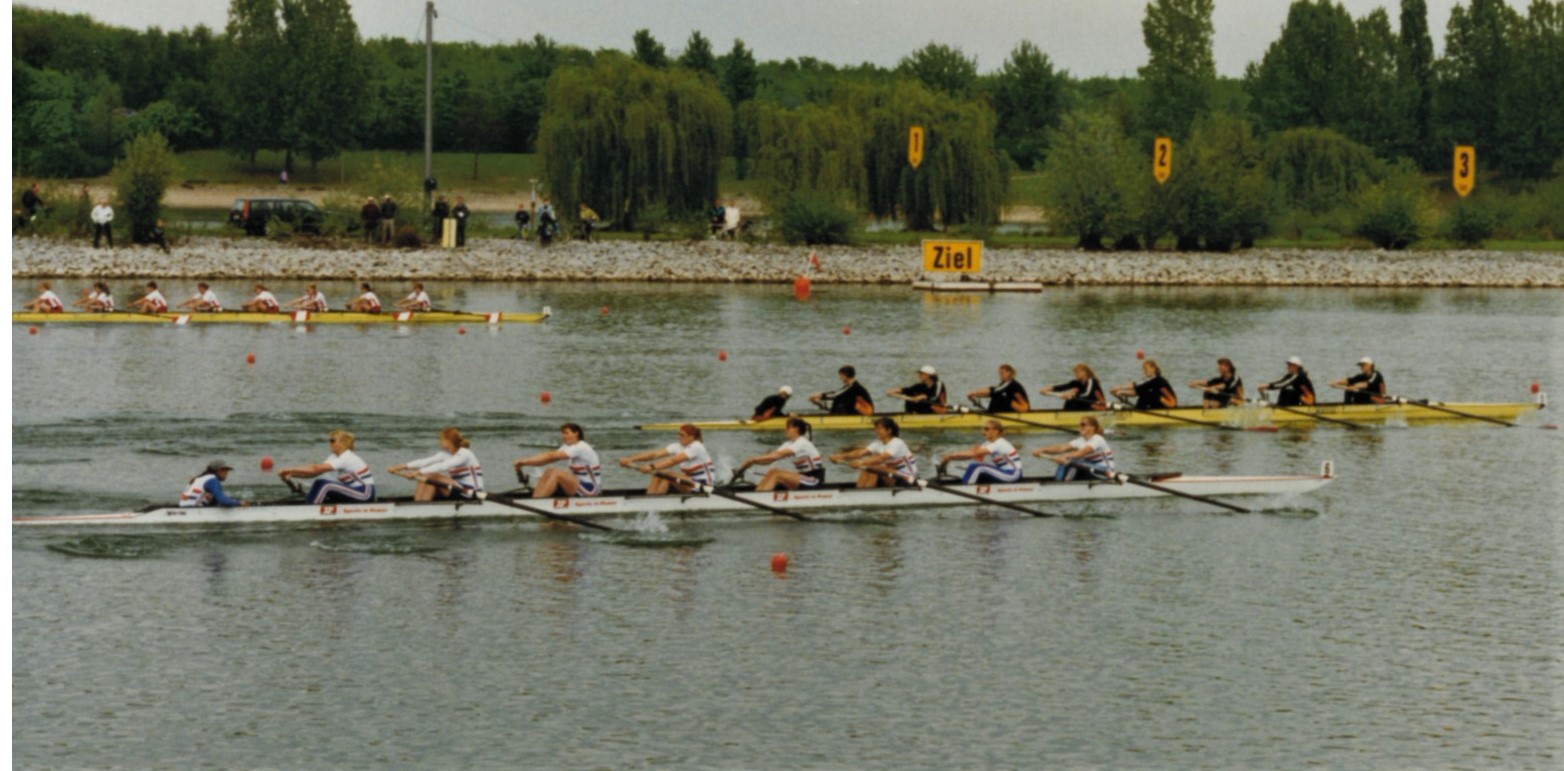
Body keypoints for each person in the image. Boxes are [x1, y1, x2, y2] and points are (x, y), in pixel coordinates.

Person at [277, 429, 376, 504]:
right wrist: (292, 474)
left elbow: (315, 468)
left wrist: (289, 469)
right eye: (329, 440)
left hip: (365, 493)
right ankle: (309, 505)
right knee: (319, 482)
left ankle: (310, 510)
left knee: (326, 485)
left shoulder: (347, 457)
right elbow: (315, 472)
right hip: (354, 491)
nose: (329, 443)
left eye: (332, 440)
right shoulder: (334, 456)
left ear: (343, 442)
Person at [388, 427, 485, 501]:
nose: (440, 442)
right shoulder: (445, 454)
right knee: (426, 476)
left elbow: (444, 466)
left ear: (448, 441)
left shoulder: (465, 453)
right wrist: (403, 466)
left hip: (471, 492)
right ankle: (419, 503)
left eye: (442, 440)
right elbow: (426, 461)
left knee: (431, 476)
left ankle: (422, 506)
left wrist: (418, 472)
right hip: (456, 489)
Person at [619, 423, 716, 495]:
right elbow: (654, 455)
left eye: (682, 435)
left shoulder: (697, 446)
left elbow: (674, 460)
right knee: (659, 474)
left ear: (691, 437)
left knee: (666, 476)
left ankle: (655, 503)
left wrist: (651, 467)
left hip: (704, 486)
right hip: (689, 482)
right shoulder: (677, 446)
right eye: (679, 434)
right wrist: (630, 459)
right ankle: (649, 499)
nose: (679, 437)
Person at [514, 422, 602, 498]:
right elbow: (547, 459)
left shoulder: (581, 447)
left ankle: (537, 502)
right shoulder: (567, 446)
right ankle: (535, 498)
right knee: (549, 471)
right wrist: (523, 463)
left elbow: (550, 456)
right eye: (563, 434)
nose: (563, 436)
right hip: (578, 485)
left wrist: (524, 461)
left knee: (556, 473)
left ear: (576, 433)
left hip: (591, 489)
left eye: (566, 433)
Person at [737, 417, 824, 491]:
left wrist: (753, 459)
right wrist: (752, 462)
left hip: (814, 480)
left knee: (776, 473)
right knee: (772, 472)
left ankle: (760, 497)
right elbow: (769, 460)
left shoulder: (802, 442)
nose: (785, 430)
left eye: (788, 427)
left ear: (796, 429)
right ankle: (757, 494)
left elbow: (777, 455)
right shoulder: (788, 444)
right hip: (803, 478)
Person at [829, 417, 919, 488]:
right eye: (876, 428)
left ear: (889, 430)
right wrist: (840, 456)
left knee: (872, 466)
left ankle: (866, 494)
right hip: (892, 476)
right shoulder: (878, 443)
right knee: (866, 467)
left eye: (879, 428)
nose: (876, 431)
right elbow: (861, 453)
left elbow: (882, 458)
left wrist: (861, 462)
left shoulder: (897, 443)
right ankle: (860, 491)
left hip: (908, 478)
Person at [939, 419, 1023, 484]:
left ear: (996, 431)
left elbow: (974, 453)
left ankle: (966, 490)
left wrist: (951, 455)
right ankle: (970, 487)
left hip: (1013, 474)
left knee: (977, 467)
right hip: (1003, 472)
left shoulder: (999, 443)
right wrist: (950, 458)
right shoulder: (988, 443)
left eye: (987, 429)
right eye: (983, 429)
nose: (983, 432)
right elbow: (970, 454)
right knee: (977, 471)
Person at [1033, 416, 1115, 481]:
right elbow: (1061, 448)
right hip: (1089, 468)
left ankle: (1063, 486)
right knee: (1066, 462)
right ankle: (1058, 482)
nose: (1080, 427)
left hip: (1104, 471)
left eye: (1083, 425)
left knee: (1072, 461)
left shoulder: (1097, 438)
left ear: (1092, 427)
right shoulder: (1080, 441)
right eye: (1080, 425)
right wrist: (1042, 450)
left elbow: (1083, 452)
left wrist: (1066, 456)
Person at [179, 459, 249, 508]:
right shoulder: (212, 480)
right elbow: (223, 500)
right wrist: (240, 503)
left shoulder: (199, 478)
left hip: (184, 507)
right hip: (192, 510)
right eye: (226, 471)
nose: (227, 474)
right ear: (219, 471)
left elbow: (216, 500)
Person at [1112, 359, 1177, 409]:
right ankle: (1139, 411)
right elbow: (1136, 387)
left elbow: (1137, 388)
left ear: (1153, 369)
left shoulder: (1158, 380)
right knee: (1145, 392)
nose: (1144, 371)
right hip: (1162, 403)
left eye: (1146, 368)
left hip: (1170, 404)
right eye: (1143, 369)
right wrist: (1120, 390)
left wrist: (1120, 391)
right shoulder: (1151, 379)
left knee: (1145, 394)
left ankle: (1137, 413)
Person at [1041, 363, 1108, 411]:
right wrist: (1047, 389)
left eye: (1077, 372)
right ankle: (1066, 415)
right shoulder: (1077, 382)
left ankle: (1068, 416)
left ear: (1084, 373)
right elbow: (1063, 387)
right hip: (1084, 404)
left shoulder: (1092, 381)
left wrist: (1072, 395)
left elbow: (1086, 394)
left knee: (1072, 400)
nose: (1076, 375)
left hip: (1095, 405)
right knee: (1070, 401)